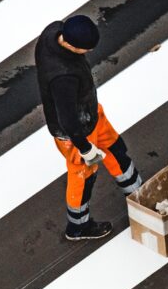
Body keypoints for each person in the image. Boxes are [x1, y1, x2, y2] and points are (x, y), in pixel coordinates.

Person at [35, 15, 143, 241]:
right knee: (83, 177)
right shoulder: (62, 77)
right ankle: (78, 226)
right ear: (72, 46)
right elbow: (68, 120)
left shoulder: (52, 32)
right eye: (84, 50)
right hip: (76, 134)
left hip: (92, 116)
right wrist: (84, 148)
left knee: (116, 148)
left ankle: (138, 194)